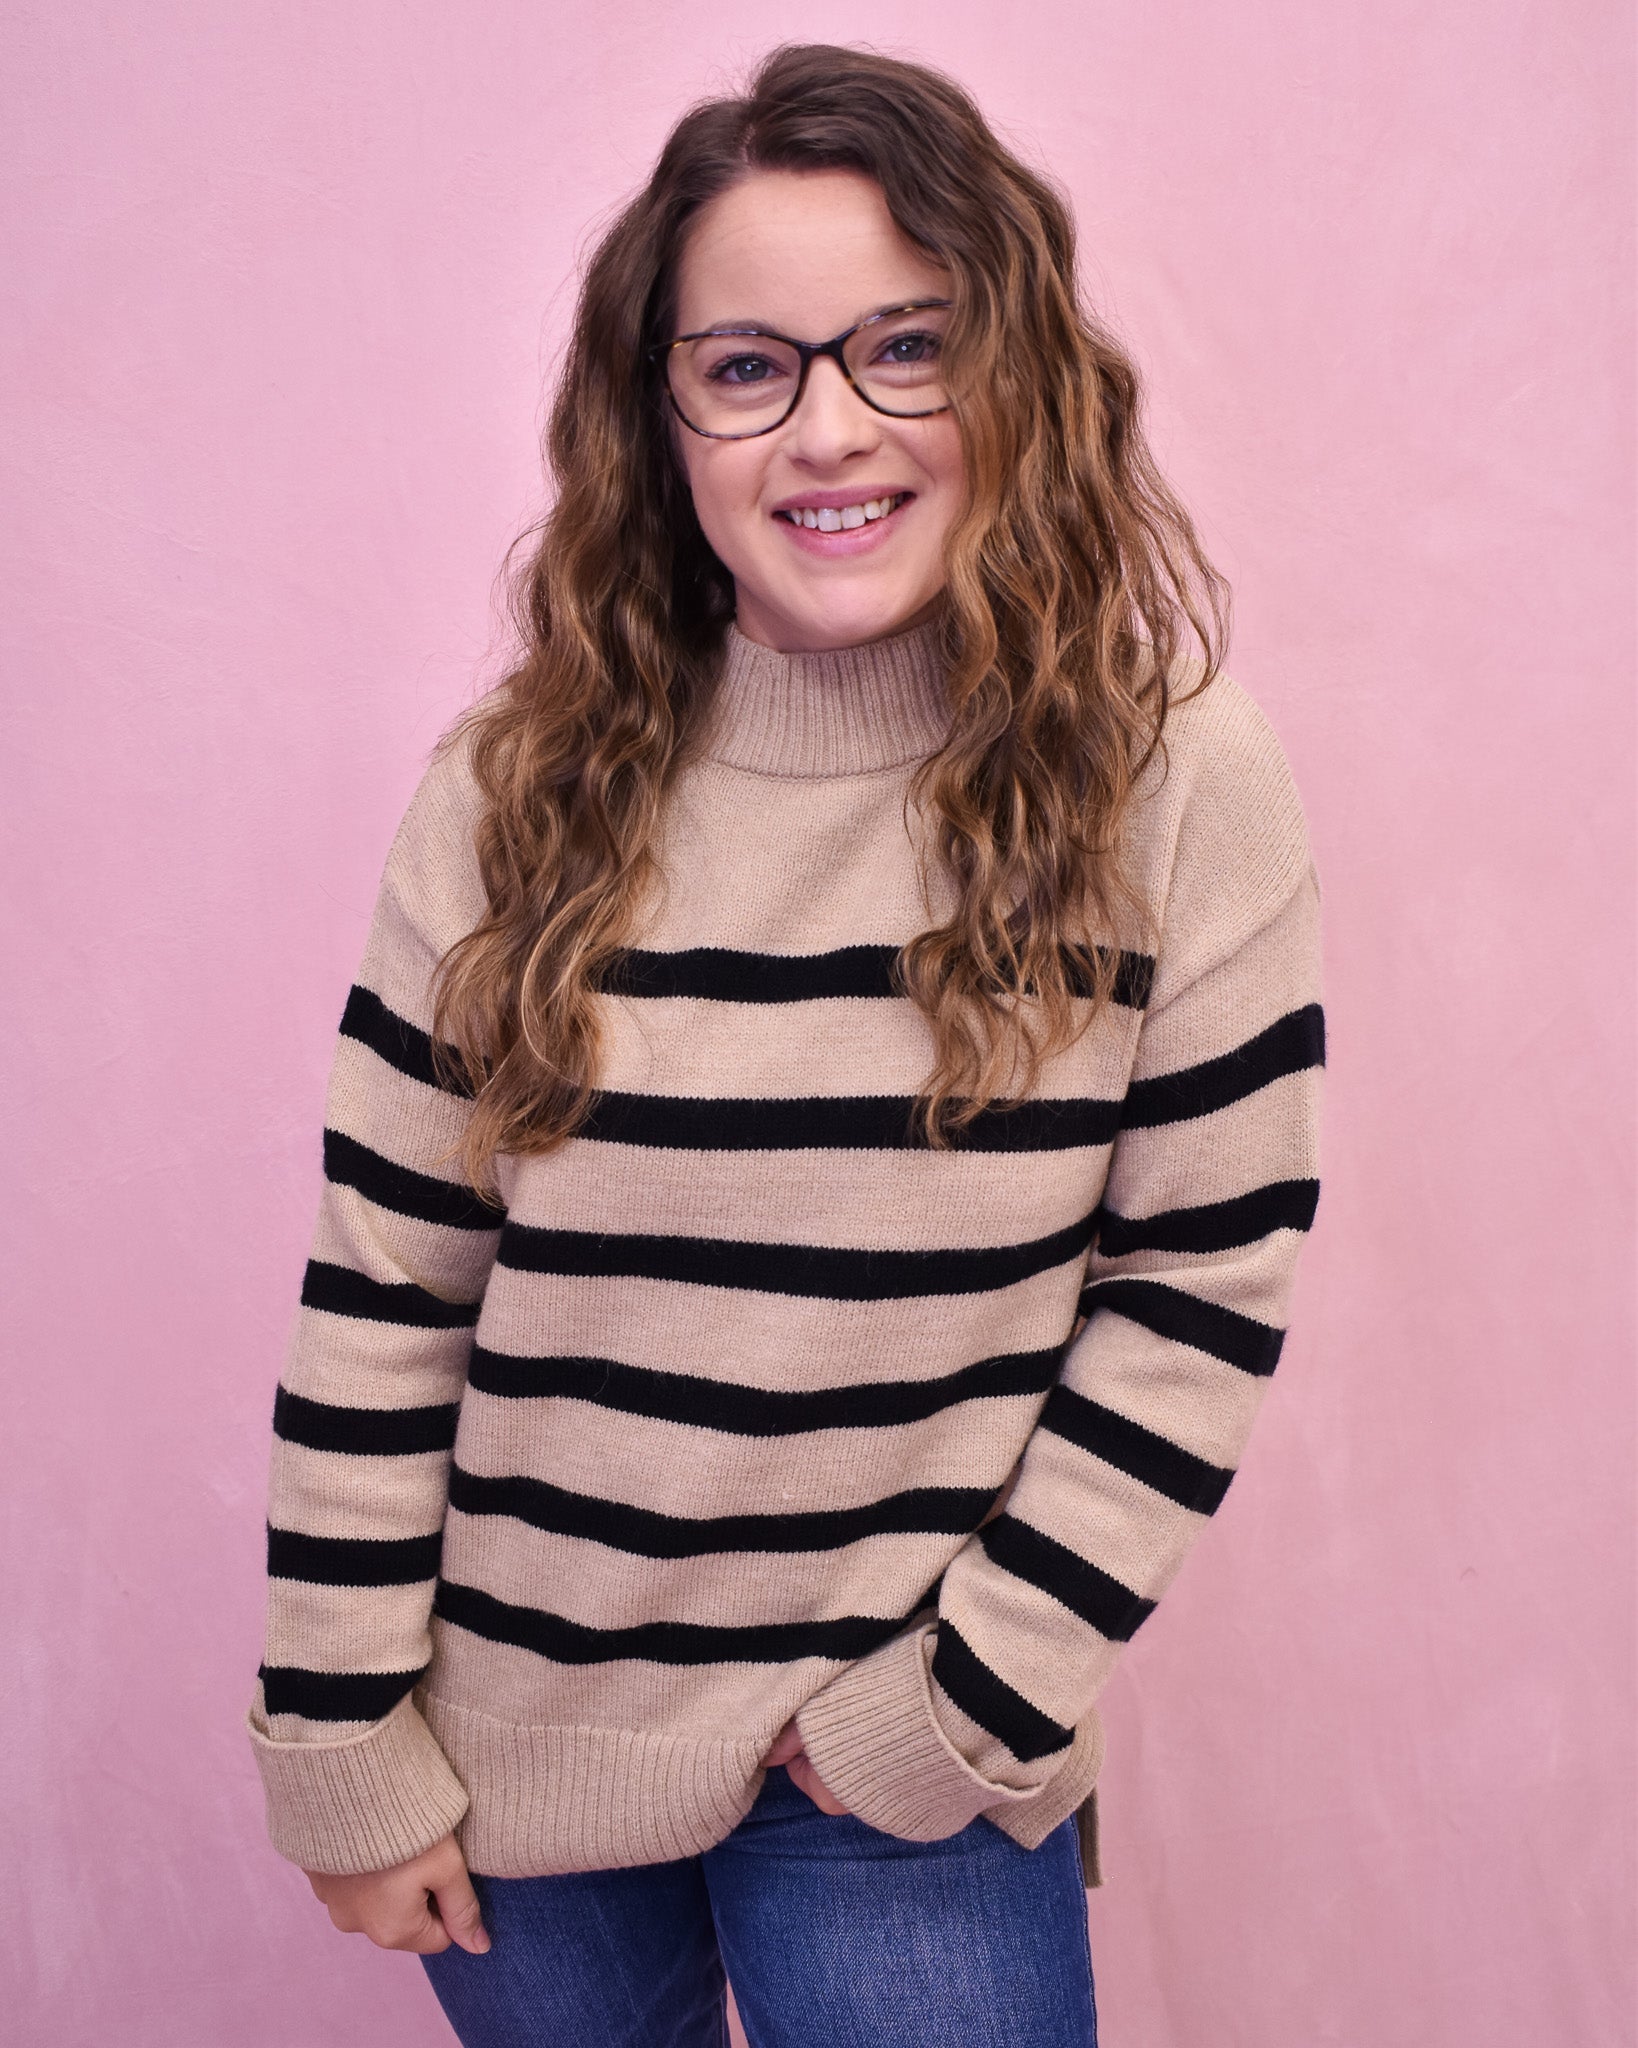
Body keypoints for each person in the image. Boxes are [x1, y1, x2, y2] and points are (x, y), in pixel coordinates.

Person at [246, 41, 1326, 2048]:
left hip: (905, 1765)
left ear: (1010, 373)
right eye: (748, 367)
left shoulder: (1174, 777)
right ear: (662, 417)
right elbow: (387, 1278)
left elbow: (1200, 1282)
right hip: (520, 1749)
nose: (829, 429)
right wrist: (338, 1731)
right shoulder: (512, 788)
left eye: (904, 347)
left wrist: (965, 1698)